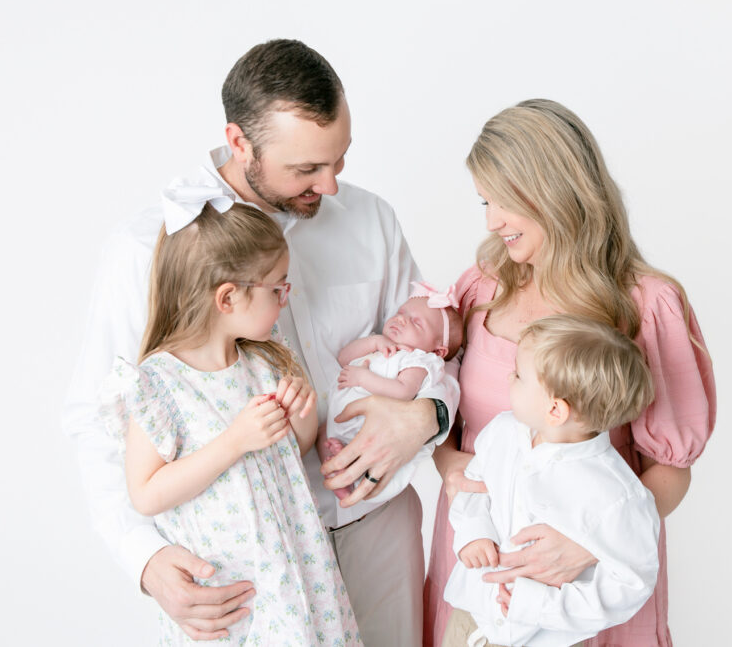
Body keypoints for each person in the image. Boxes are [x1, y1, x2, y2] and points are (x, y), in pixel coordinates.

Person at [63, 39, 458, 646]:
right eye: (306, 169)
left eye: (340, 159)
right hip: (238, 563)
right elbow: (98, 418)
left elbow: (436, 348)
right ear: (239, 141)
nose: (330, 186)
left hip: (376, 527)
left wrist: (428, 415)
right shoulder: (147, 249)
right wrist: (144, 559)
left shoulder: (371, 219)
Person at [424, 99, 716, 647]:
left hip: (585, 586)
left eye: (506, 200)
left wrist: (590, 544)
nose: (491, 221)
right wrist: (450, 465)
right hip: (480, 566)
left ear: (557, 191)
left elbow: (673, 470)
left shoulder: (645, 305)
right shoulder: (480, 287)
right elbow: (440, 416)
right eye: (485, 201)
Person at [98, 195, 359, 645]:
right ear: (228, 297)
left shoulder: (265, 361)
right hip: (231, 598)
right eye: (277, 289)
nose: (285, 299)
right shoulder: (158, 385)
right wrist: (234, 441)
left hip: (296, 575)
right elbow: (145, 493)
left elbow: (292, 452)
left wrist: (300, 414)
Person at [442, 315, 660, 647]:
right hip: (473, 618)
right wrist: (474, 532)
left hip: (543, 637)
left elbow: (630, 583)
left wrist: (541, 605)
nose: (509, 377)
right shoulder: (502, 433)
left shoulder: (617, 494)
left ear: (555, 410)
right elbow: (474, 488)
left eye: (518, 375)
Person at [320, 282, 463, 502]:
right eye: (401, 313)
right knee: (322, 436)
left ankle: (348, 477)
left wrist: (363, 378)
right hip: (340, 420)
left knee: (363, 451)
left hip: (374, 427)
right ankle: (338, 467)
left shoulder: (418, 362)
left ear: (437, 351)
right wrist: (374, 342)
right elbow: (343, 358)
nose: (401, 319)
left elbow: (402, 391)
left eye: (416, 323)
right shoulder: (381, 345)